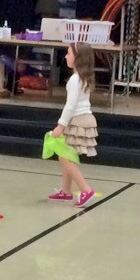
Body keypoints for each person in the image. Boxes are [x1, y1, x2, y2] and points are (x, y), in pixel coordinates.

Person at [47, 42, 99, 208]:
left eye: (68, 53)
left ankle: (85, 190)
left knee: (65, 157)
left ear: (77, 58)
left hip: (77, 121)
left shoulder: (74, 80)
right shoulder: (82, 78)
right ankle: (66, 191)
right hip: (84, 120)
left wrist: (60, 126)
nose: (66, 56)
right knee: (66, 155)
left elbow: (70, 106)